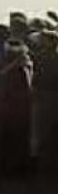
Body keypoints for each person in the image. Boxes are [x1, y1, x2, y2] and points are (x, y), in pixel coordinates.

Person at [0, 39, 34, 180]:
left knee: (13, 139)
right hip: (18, 109)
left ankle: (12, 170)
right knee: (17, 139)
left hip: (13, 109)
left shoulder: (19, 69)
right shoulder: (23, 66)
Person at [31, 31, 58, 174]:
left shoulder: (40, 58)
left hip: (43, 97)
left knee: (42, 131)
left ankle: (42, 165)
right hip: (52, 97)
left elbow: (35, 79)